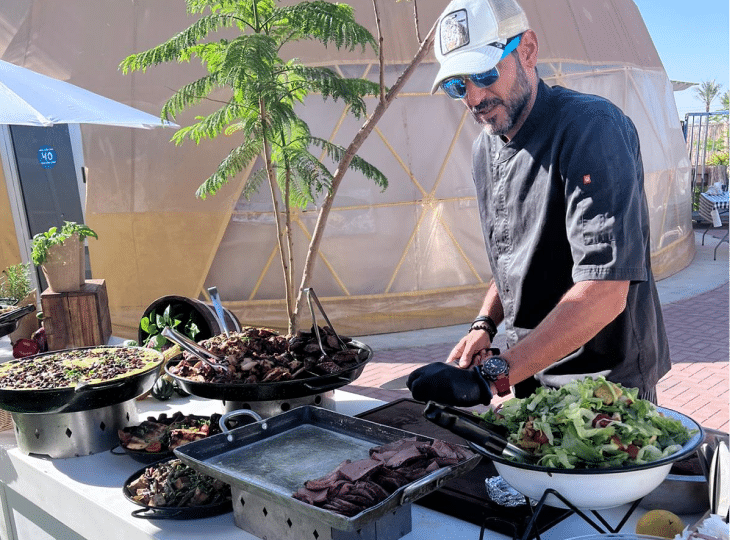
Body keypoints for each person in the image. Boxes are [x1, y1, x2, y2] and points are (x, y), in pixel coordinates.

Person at [407, 0, 670, 407]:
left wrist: (491, 375)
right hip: (528, 375)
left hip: (604, 386)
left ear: (527, 50)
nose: (474, 97)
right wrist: (485, 324)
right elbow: (513, 258)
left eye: (484, 73)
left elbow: (606, 289)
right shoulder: (484, 149)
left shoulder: (590, 129)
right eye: (458, 85)